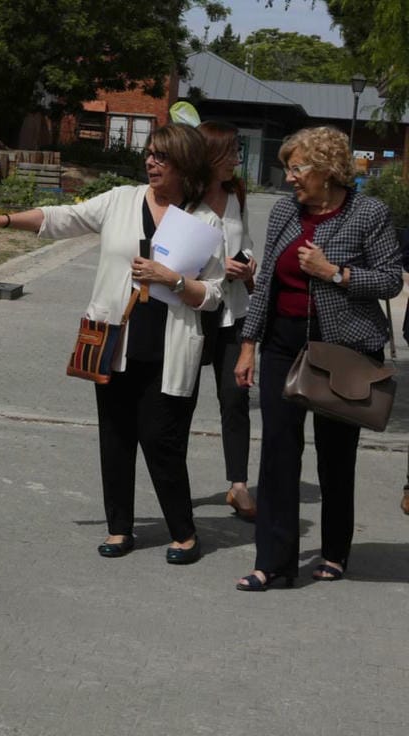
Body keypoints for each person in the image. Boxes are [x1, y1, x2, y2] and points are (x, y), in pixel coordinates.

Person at [0, 123, 223, 564]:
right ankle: (119, 529)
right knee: (116, 439)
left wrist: (174, 280)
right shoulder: (122, 200)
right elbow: (62, 217)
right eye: (149, 154)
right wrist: (4, 219)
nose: (151, 162)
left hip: (169, 349)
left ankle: (184, 533)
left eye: (161, 156)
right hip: (115, 340)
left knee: (161, 442)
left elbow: (214, 295)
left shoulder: (204, 220)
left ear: (184, 163)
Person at [234, 126, 403, 590]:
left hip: (343, 349)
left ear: (327, 170)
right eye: (288, 168)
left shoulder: (369, 213)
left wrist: (335, 273)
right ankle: (274, 562)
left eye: (297, 168)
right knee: (277, 454)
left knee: (335, 456)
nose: (289, 178)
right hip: (282, 344)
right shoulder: (287, 211)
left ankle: (334, 551)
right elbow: (266, 278)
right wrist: (249, 343)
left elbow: (391, 279)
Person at [198, 121, 258, 521]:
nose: (238, 158)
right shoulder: (183, 196)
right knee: (176, 400)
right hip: (193, 312)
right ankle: (173, 482)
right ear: (210, 155)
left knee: (235, 398)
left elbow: (247, 241)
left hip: (234, 313)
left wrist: (249, 265)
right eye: (232, 151)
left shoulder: (236, 192)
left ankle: (238, 485)